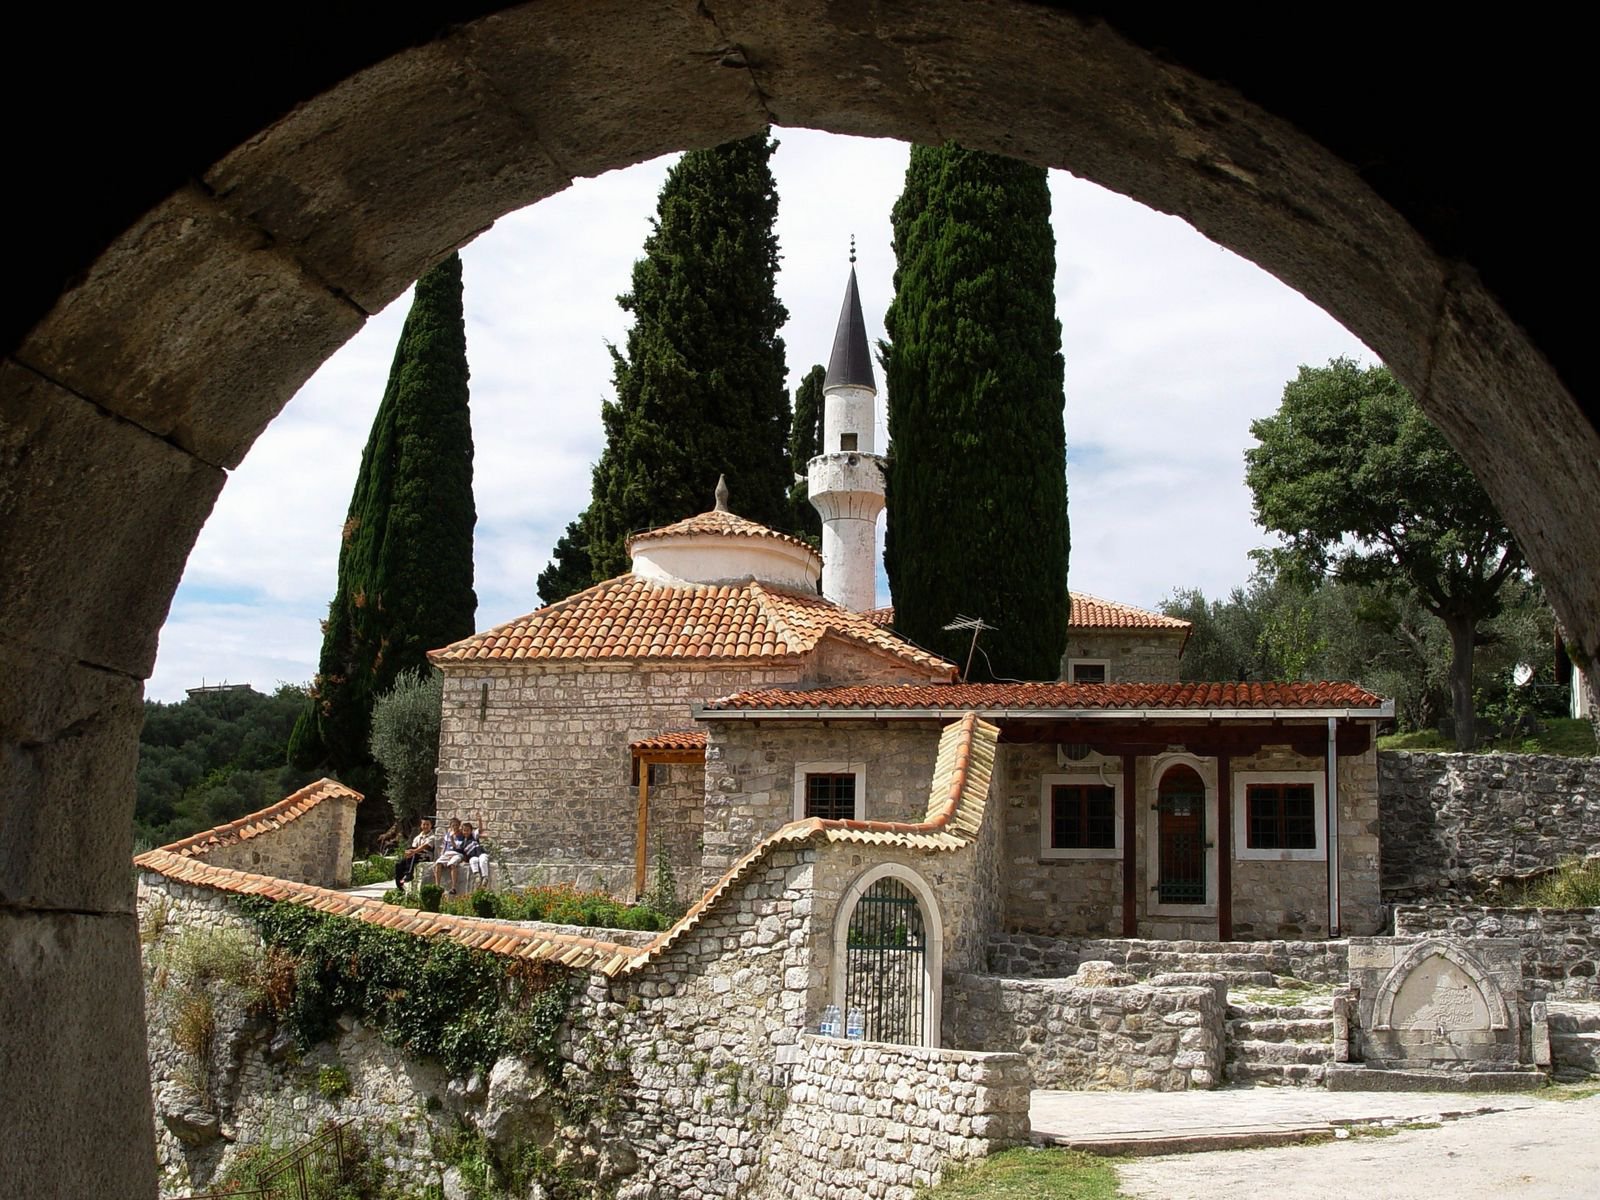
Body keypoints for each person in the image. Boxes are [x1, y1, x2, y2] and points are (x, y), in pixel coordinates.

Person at [393, 818, 435, 888]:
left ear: (431, 825)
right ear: (421, 825)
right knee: (399, 864)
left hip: (425, 856)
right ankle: (399, 885)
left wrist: (413, 851)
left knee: (413, 855)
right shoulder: (417, 837)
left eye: (427, 824)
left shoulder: (432, 837)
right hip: (414, 855)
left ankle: (409, 874)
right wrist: (409, 852)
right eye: (424, 824)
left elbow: (425, 846)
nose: (425, 826)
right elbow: (412, 848)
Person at [432, 819, 468, 893]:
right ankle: (437, 886)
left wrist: (452, 839)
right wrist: (442, 854)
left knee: (452, 864)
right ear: (450, 826)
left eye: (456, 825)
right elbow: (444, 846)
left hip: (457, 853)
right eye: (453, 825)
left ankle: (453, 887)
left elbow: (458, 847)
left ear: (459, 826)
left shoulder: (462, 835)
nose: (455, 827)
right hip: (447, 853)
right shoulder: (448, 835)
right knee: (438, 864)